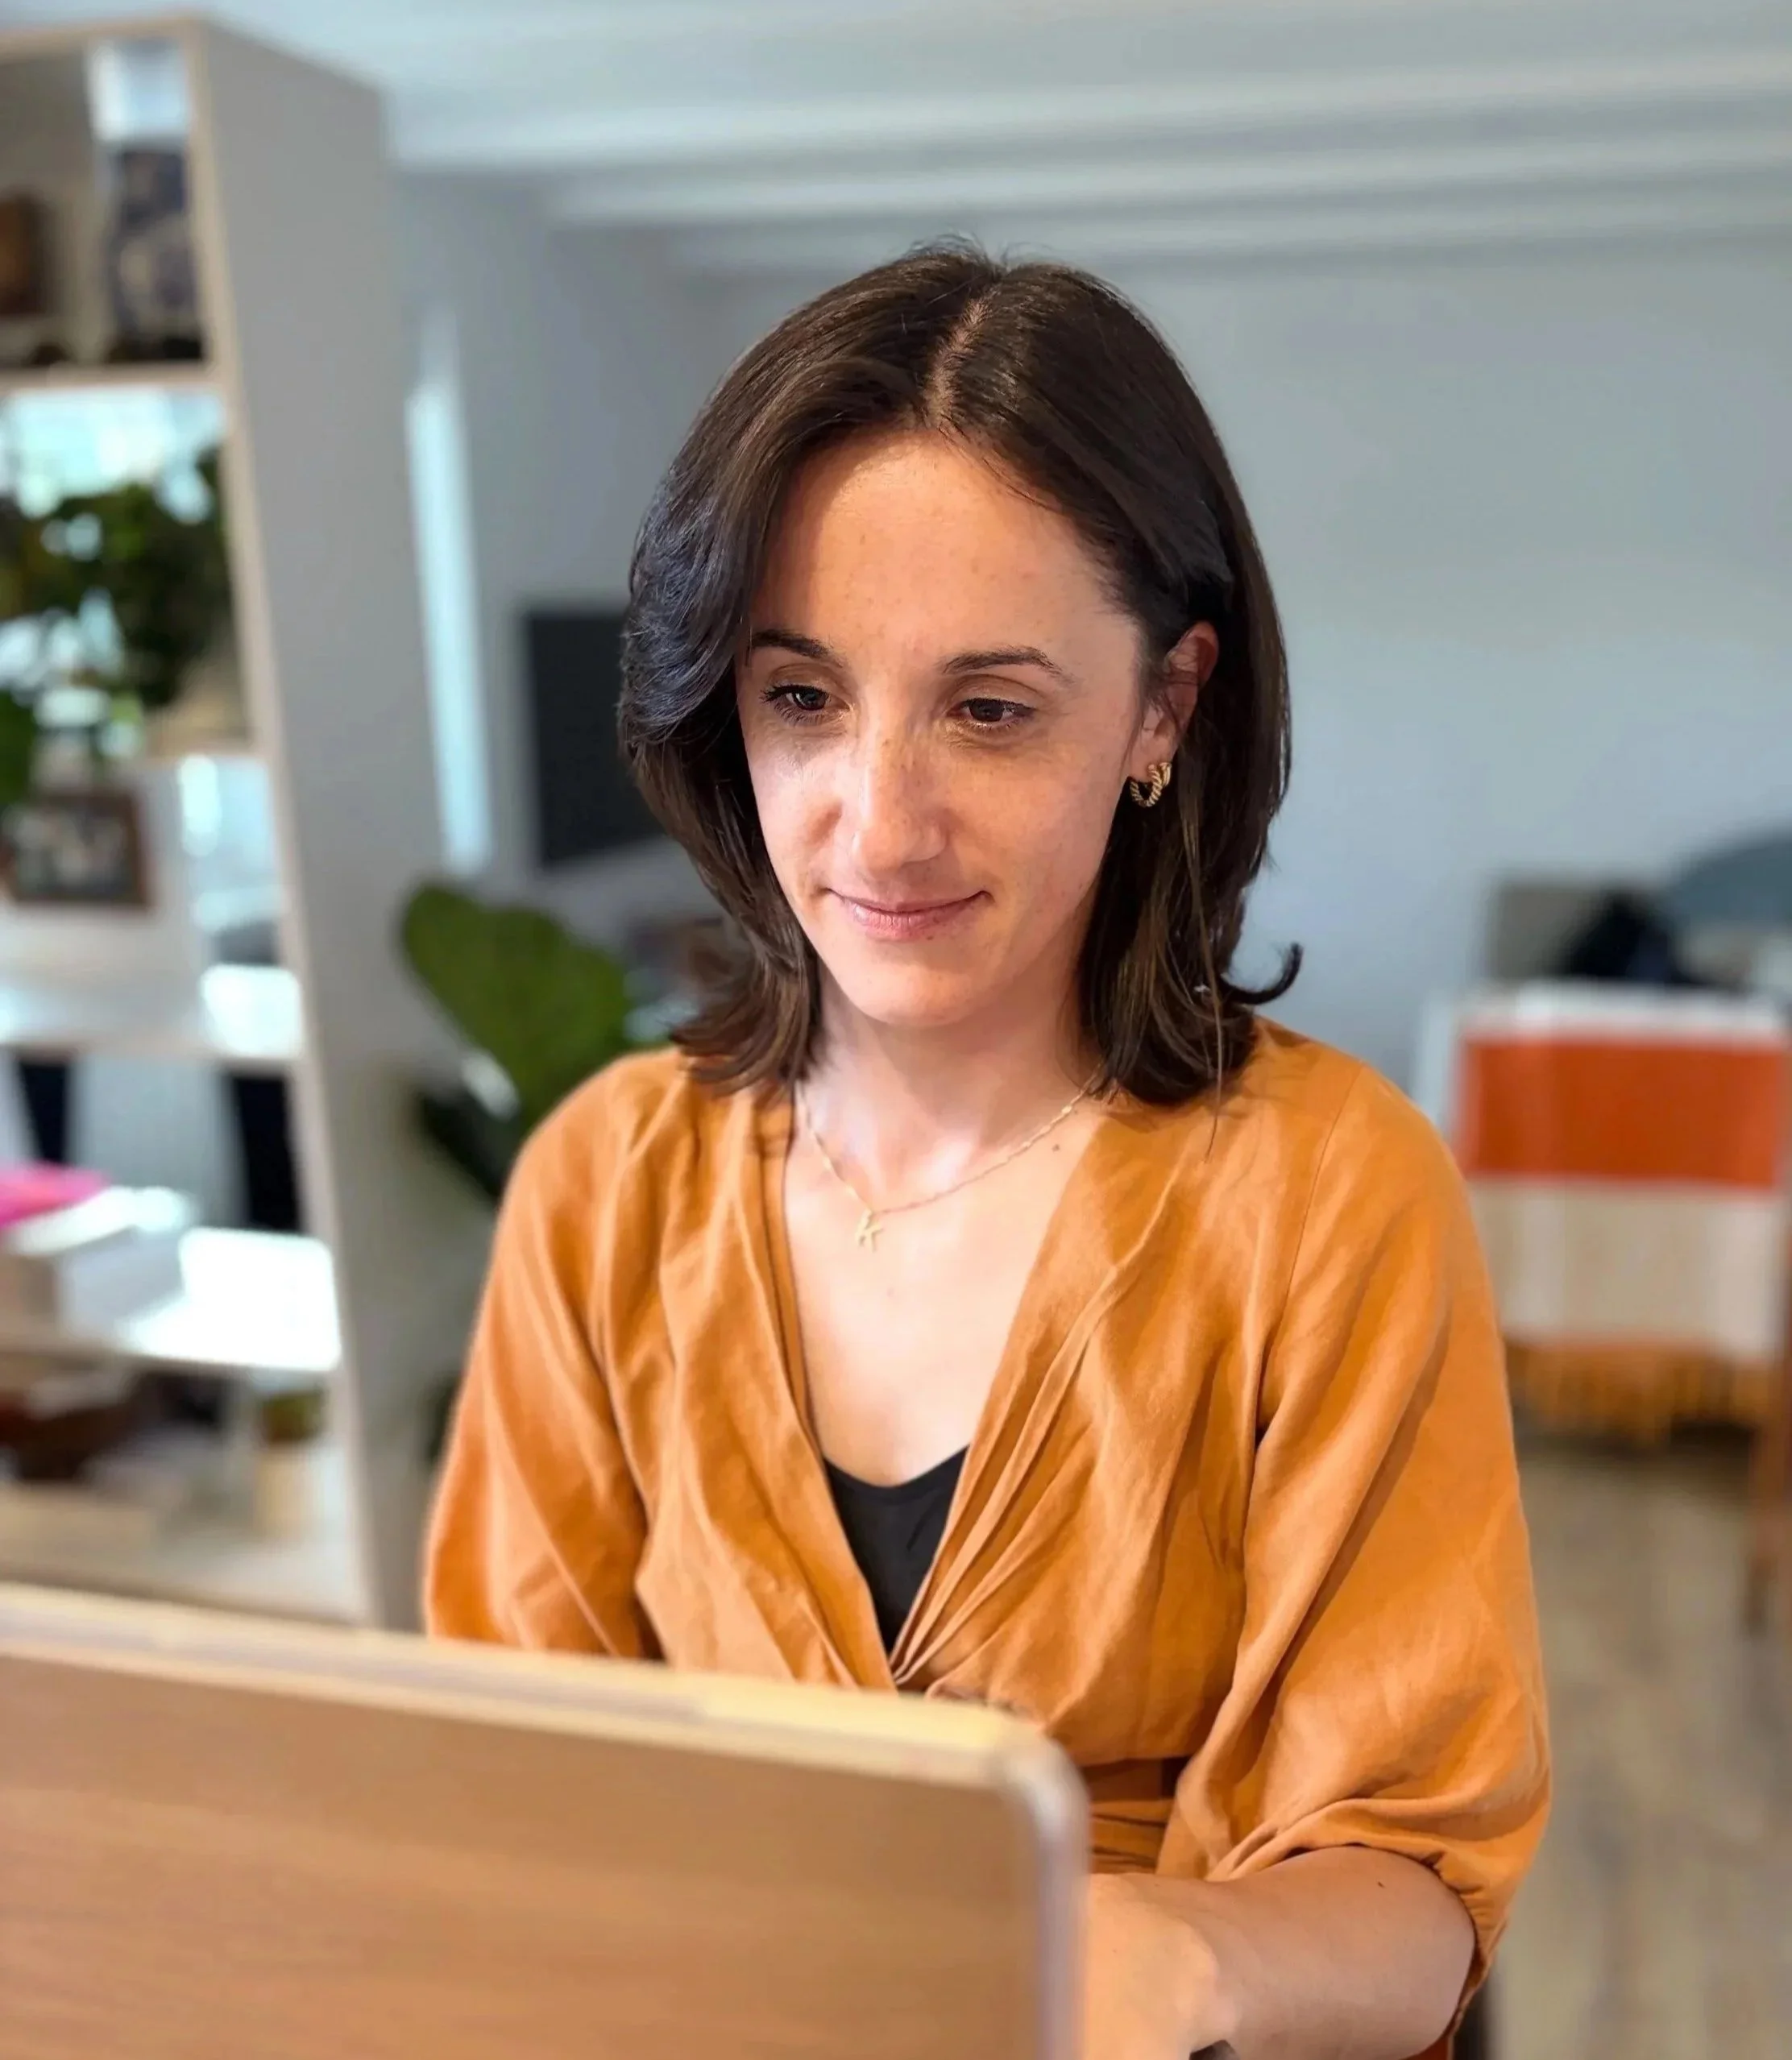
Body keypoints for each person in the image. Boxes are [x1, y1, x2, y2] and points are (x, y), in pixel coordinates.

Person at [426, 242, 1549, 2060]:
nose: (876, 821)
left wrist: (1178, 1956)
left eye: (989, 708)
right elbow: (514, 1794)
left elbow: (1411, 1897)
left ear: (1162, 712)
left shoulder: (1331, 1191)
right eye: (802, 698)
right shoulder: (602, 1186)